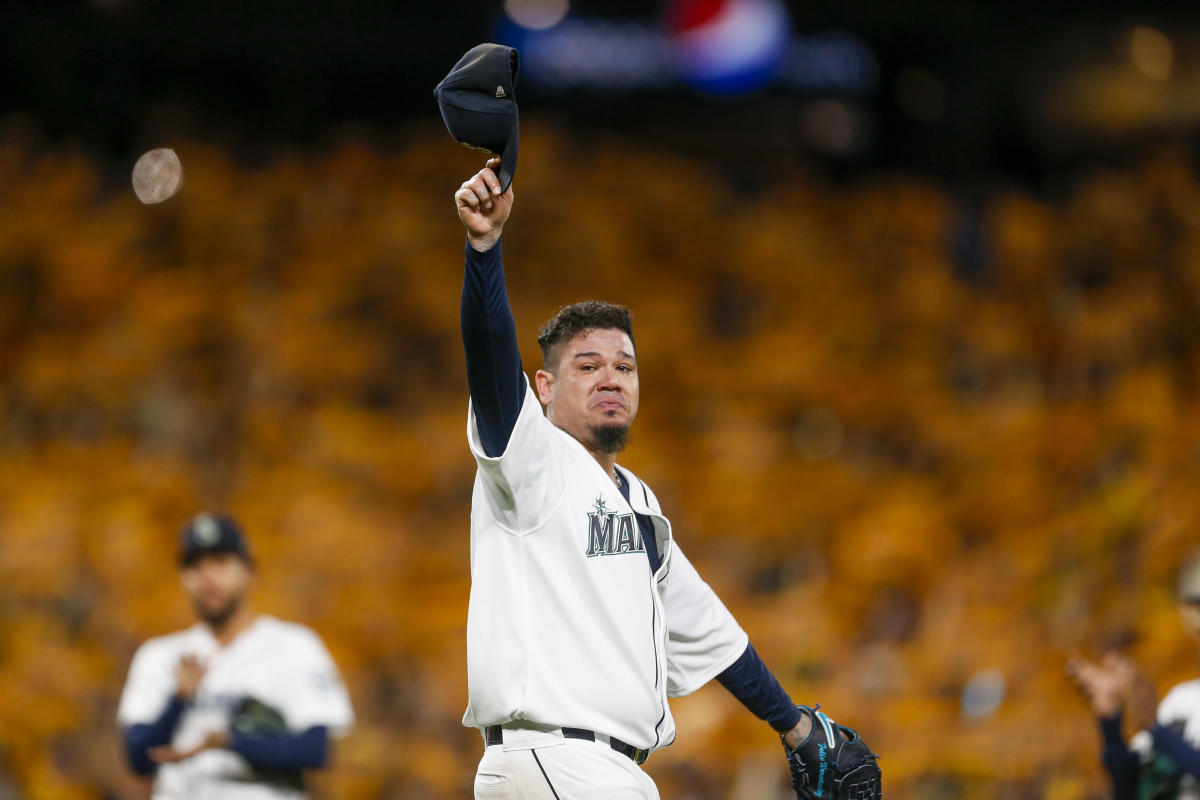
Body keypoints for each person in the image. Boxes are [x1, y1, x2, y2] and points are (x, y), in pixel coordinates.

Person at [455, 157, 863, 799]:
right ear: (545, 388)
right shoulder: (531, 459)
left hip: (608, 773)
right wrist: (485, 249)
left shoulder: (640, 503)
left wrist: (796, 727)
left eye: (625, 366)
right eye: (588, 365)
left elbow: (711, 630)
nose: (612, 378)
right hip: (554, 760)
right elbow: (488, 357)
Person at [117, 513, 354, 800]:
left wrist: (231, 742)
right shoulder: (161, 655)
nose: (208, 577)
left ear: (250, 573)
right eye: (195, 566)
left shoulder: (293, 647)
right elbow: (139, 760)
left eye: (220, 562)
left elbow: (316, 750)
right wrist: (177, 702)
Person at [1069, 554, 1200, 799]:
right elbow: (1128, 790)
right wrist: (1110, 720)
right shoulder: (1182, 699)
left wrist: (1153, 726)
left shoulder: (1161, 722)